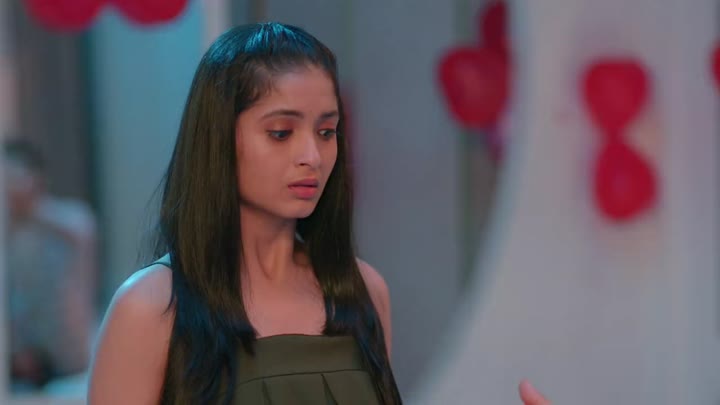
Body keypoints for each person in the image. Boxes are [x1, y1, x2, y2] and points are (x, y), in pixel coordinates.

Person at [87, 22, 551, 405]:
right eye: (281, 132)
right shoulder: (149, 308)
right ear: (218, 139)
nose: (312, 156)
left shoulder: (362, 290)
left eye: (327, 132)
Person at [4, 138, 97, 390]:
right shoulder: (12, 233)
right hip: (28, 363)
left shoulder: (70, 222)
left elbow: (81, 231)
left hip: (74, 360)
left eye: (12, 175)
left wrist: (30, 207)